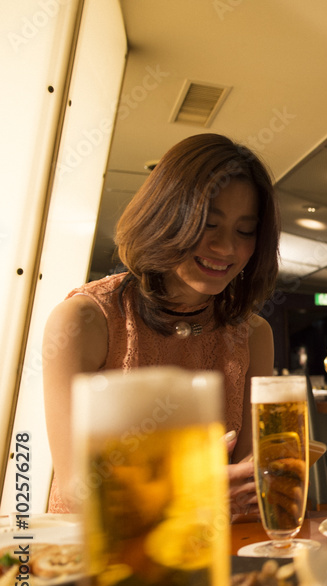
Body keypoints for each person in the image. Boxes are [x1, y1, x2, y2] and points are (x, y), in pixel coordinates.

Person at [43, 133, 280, 518]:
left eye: (244, 231)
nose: (226, 248)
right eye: (208, 224)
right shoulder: (85, 320)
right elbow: (76, 487)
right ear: (165, 216)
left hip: (207, 547)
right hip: (99, 553)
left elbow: (250, 476)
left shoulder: (253, 334)